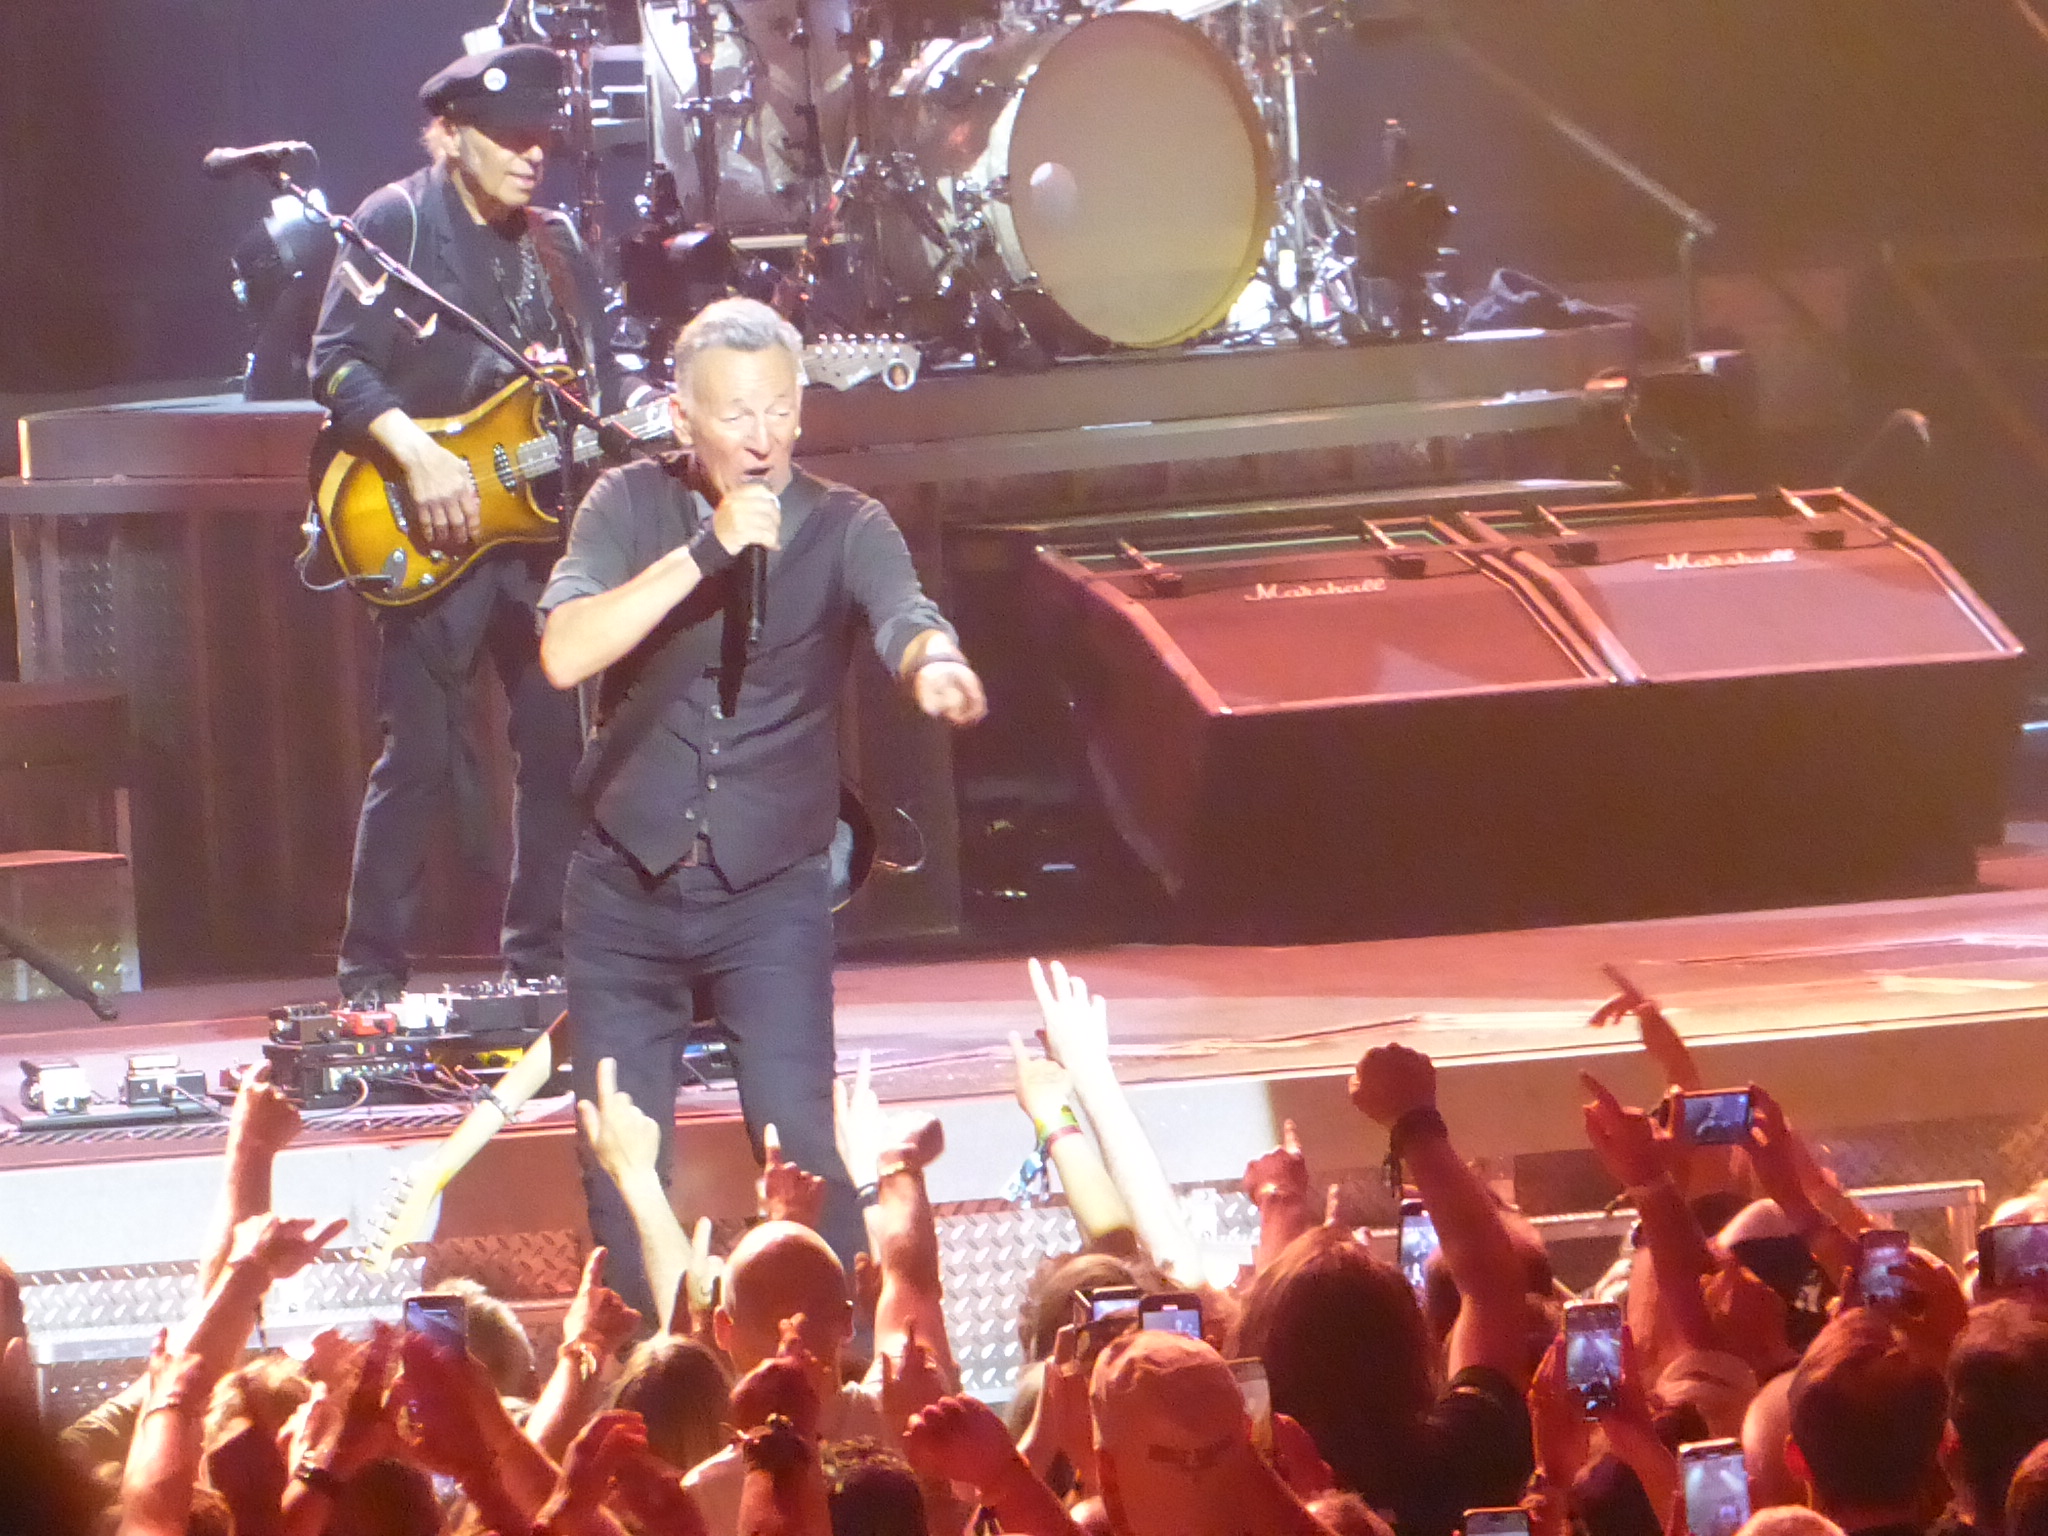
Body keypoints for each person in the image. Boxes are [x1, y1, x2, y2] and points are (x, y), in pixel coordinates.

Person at [538, 296, 986, 1312]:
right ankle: (646, 1373)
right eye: (736, 414)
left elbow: (903, 612)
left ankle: (841, 1370)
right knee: (619, 1160)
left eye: (781, 410)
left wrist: (934, 662)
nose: (762, 437)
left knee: (799, 1144)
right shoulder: (627, 504)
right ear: (682, 416)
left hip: (769, 894)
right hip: (622, 891)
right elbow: (565, 651)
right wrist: (706, 551)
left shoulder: (846, 523)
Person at [310, 43, 628, 1007]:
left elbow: (608, 385)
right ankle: (371, 976)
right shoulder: (396, 221)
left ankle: (542, 960)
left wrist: (656, 417)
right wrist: (418, 453)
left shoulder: (558, 247)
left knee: (560, 750)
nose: (532, 156)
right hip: (428, 529)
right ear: (450, 135)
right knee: (419, 757)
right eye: (509, 137)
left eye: (542, 139)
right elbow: (334, 363)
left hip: (540, 534)